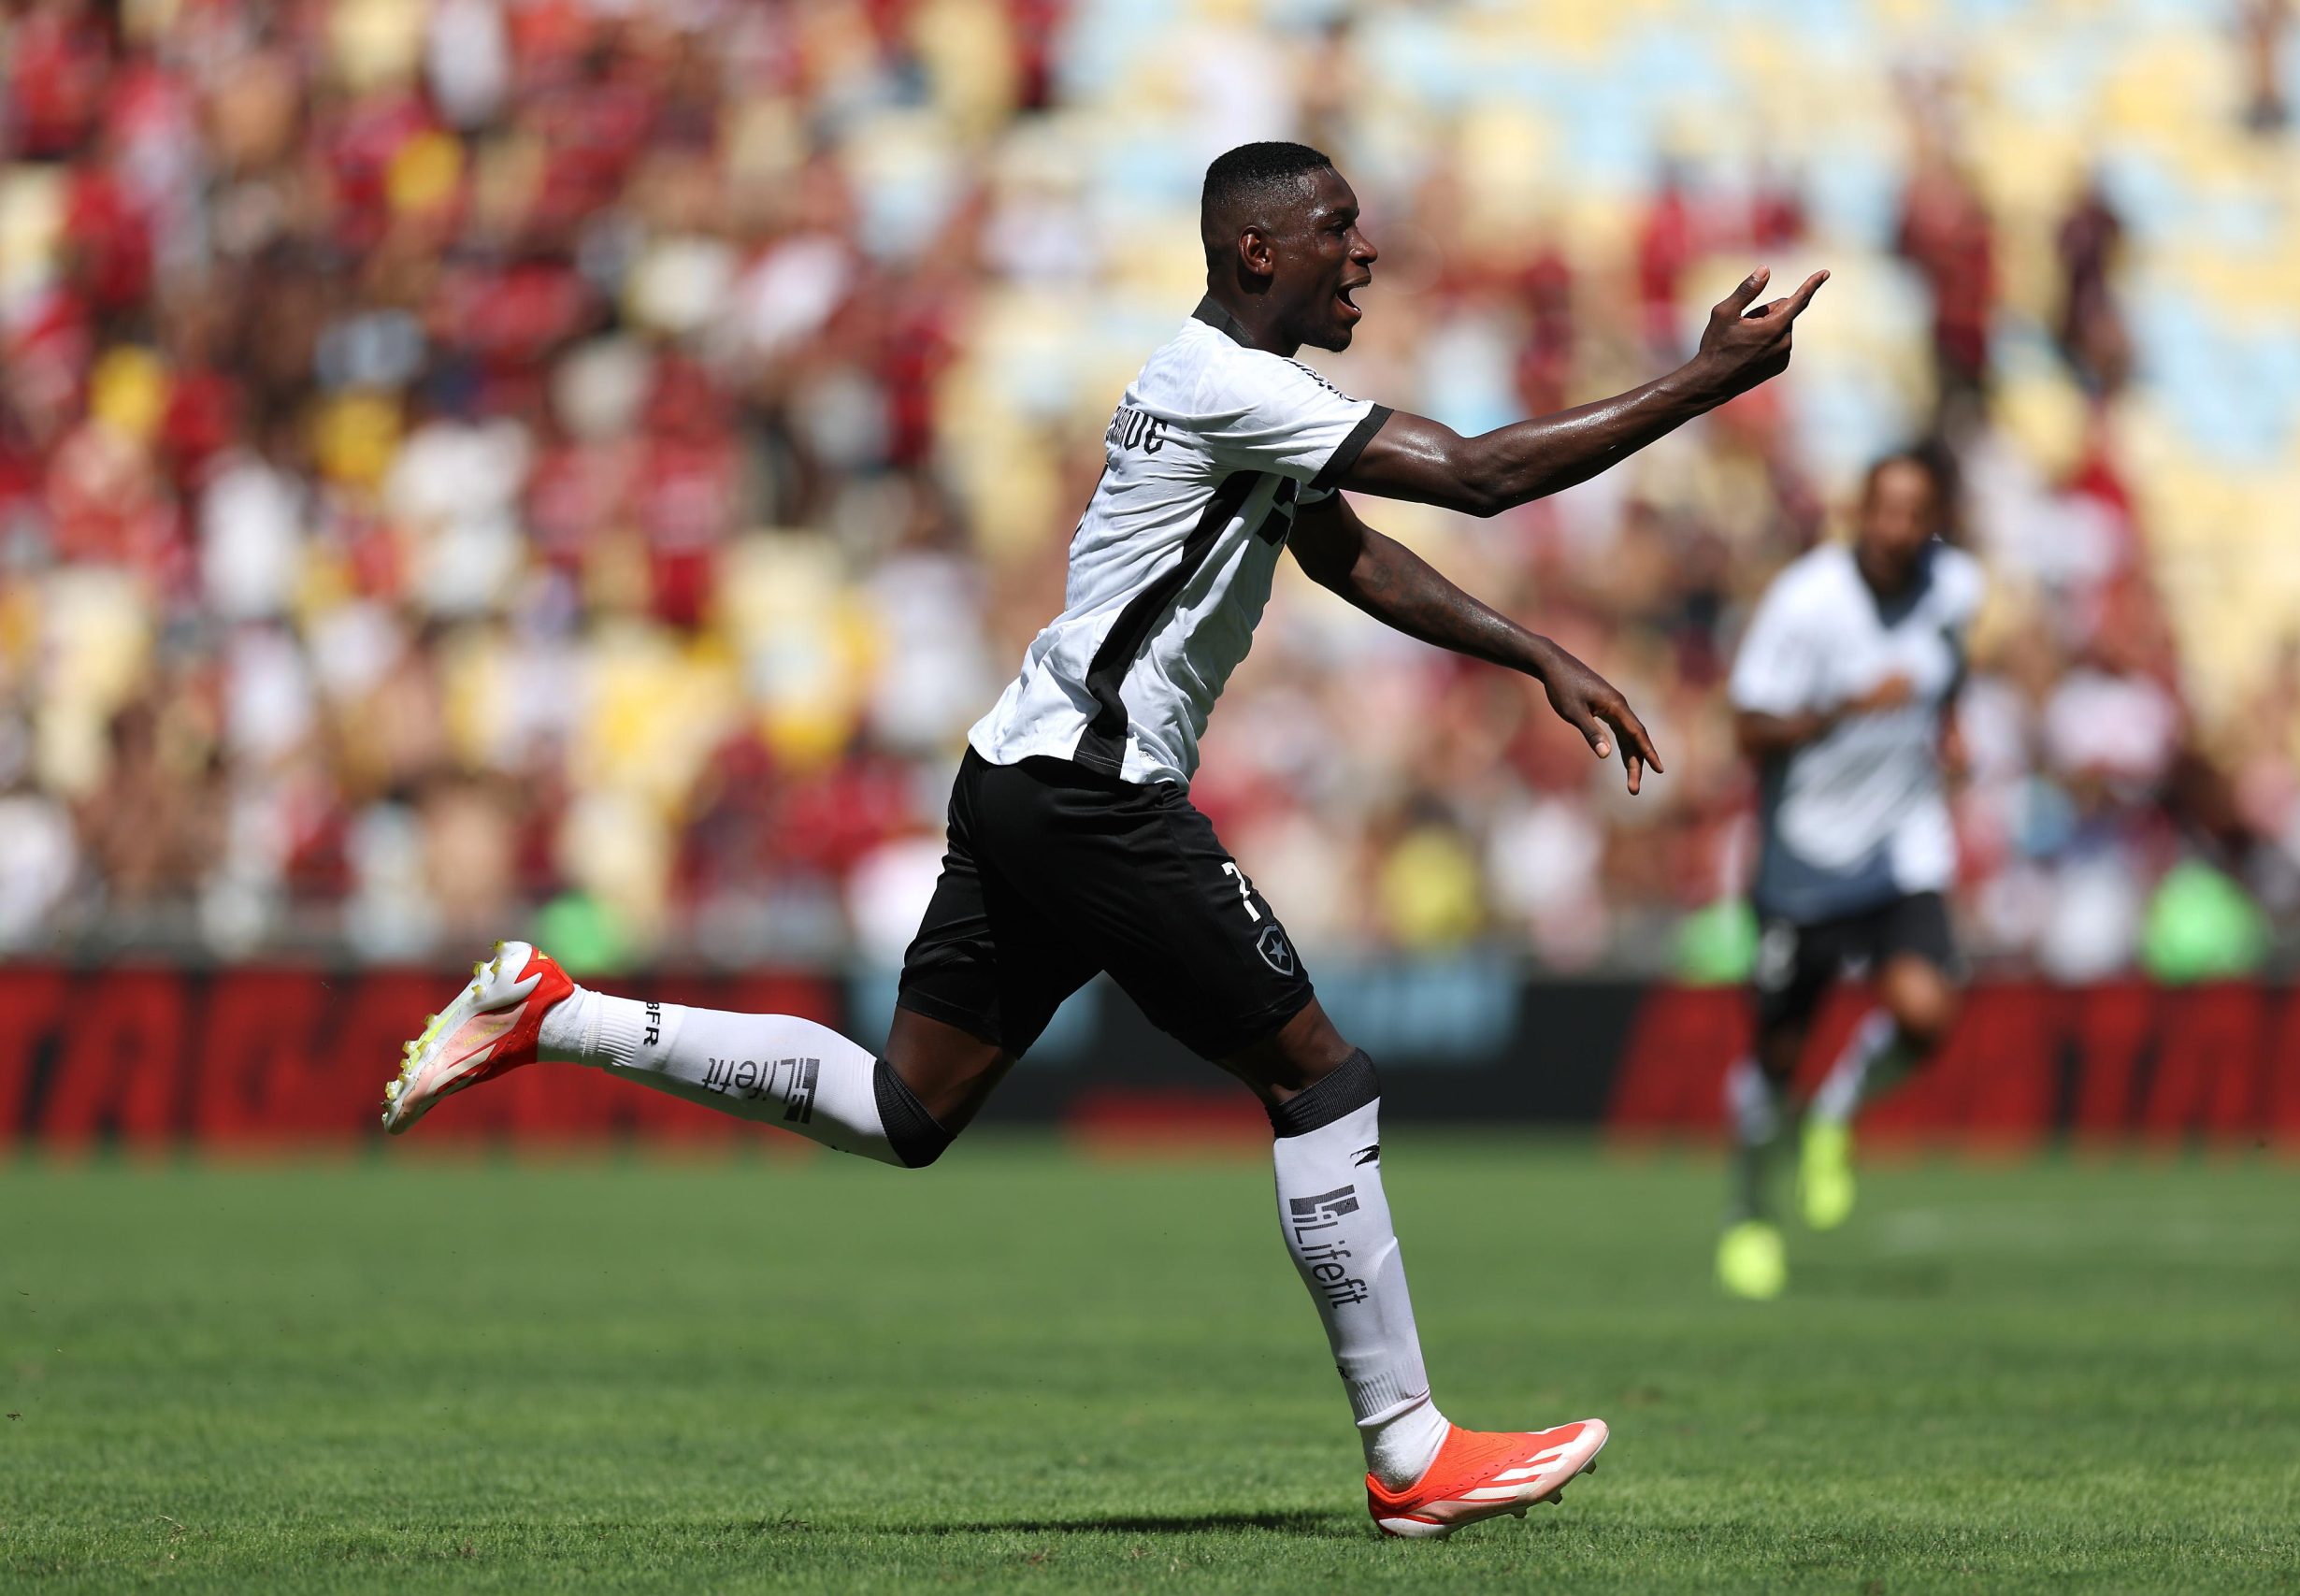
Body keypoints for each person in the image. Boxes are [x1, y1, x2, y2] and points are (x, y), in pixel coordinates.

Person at [381, 141, 1826, 1536]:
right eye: (1339, 226)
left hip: (1021, 767)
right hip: (1095, 789)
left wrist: (1534, 655)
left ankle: (554, 1010)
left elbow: (1349, 551)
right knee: (1321, 1079)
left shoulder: (1238, 387)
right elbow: (1480, 473)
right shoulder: (1222, 383)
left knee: (906, 1109)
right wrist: (1705, 380)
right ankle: (1411, 1453)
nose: (1365, 250)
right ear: (1259, 247)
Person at [1716, 449, 1983, 1301]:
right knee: (1772, 1062)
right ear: (1857, 512)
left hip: (1904, 843)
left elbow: (1951, 663)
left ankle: (1836, 1111)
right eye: (1885, 510)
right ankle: (1751, 1216)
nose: (1898, 529)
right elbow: (1748, 731)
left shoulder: (1955, 587)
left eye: (1916, 513)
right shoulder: (1807, 603)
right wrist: (1843, 711)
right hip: (1805, 864)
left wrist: (1946, 723)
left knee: (1926, 1012)